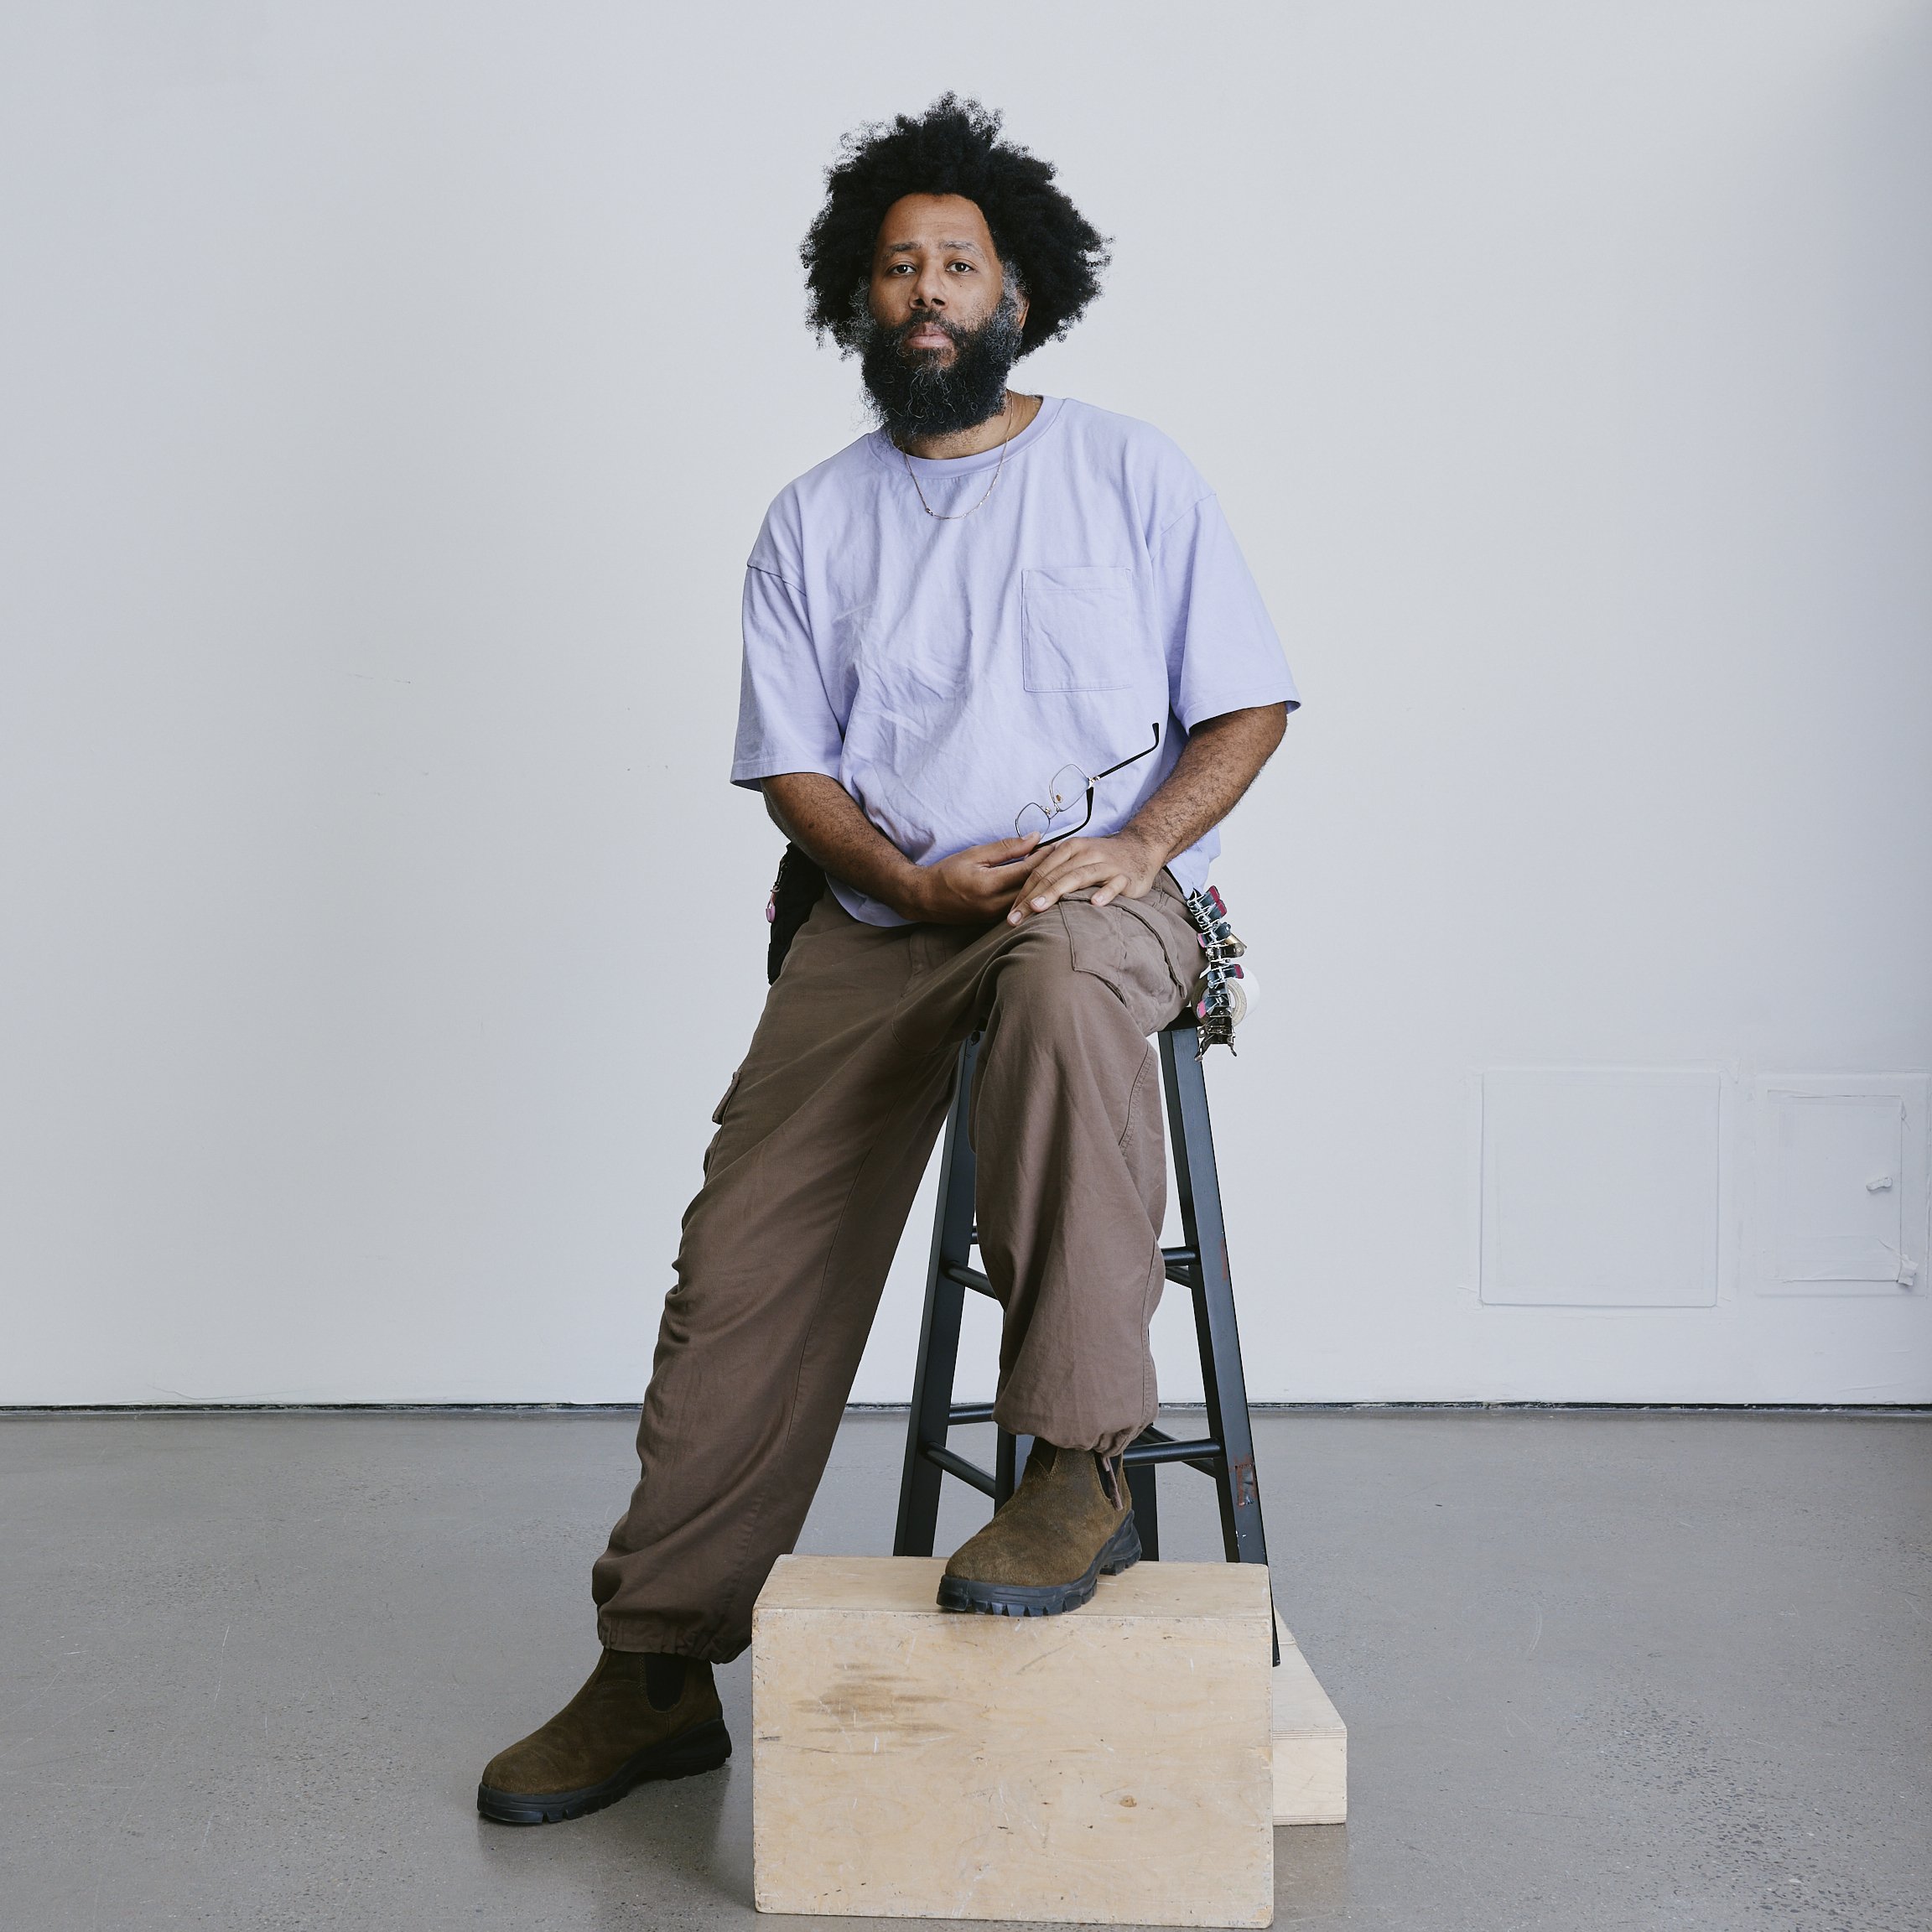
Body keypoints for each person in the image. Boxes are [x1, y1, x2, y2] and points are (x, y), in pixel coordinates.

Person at [477, 95, 1298, 1827]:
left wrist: (1141, 847)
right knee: (740, 1253)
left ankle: (1071, 1465)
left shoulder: (1129, 471)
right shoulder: (811, 521)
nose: (927, 292)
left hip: (1092, 901)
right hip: (884, 918)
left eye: (959, 266)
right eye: (898, 268)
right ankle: (655, 1668)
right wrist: (909, 887)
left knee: (1064, 992)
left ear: (1020, 294)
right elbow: (797, 776)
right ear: (858, 302)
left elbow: (1245, 704)